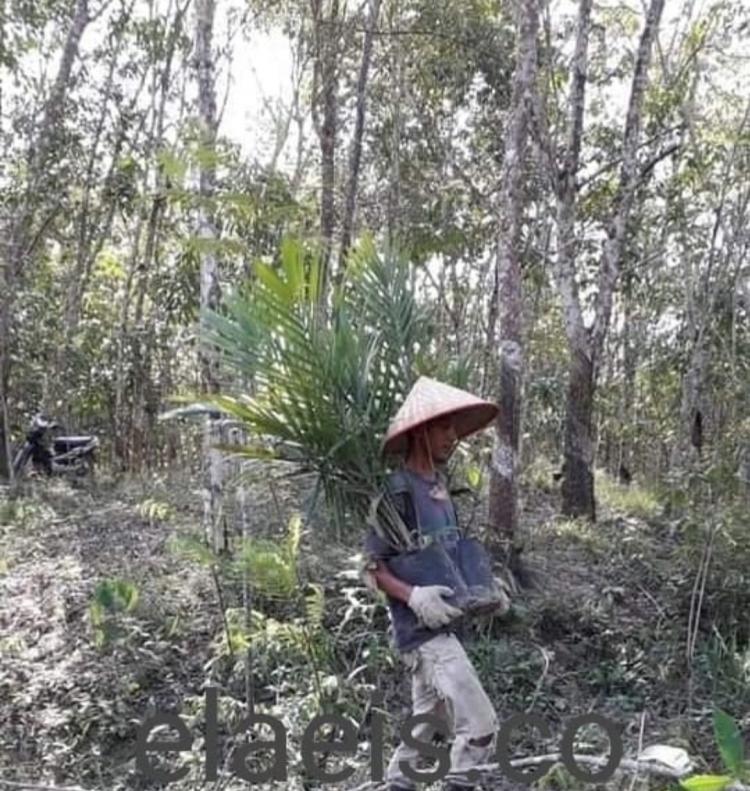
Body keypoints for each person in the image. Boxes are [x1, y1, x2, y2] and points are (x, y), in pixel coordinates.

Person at [362, 376, 510, 791]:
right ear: (420, 432)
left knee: (426, 730)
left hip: (444, 626)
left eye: (454, 428)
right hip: (423, 635)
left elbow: (448, 559)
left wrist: (487, 587)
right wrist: (413, 595)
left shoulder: (440, 491)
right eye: (443, 427)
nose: (451, 437)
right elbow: (371, 567)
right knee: (480, 726)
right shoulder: (397, 493)